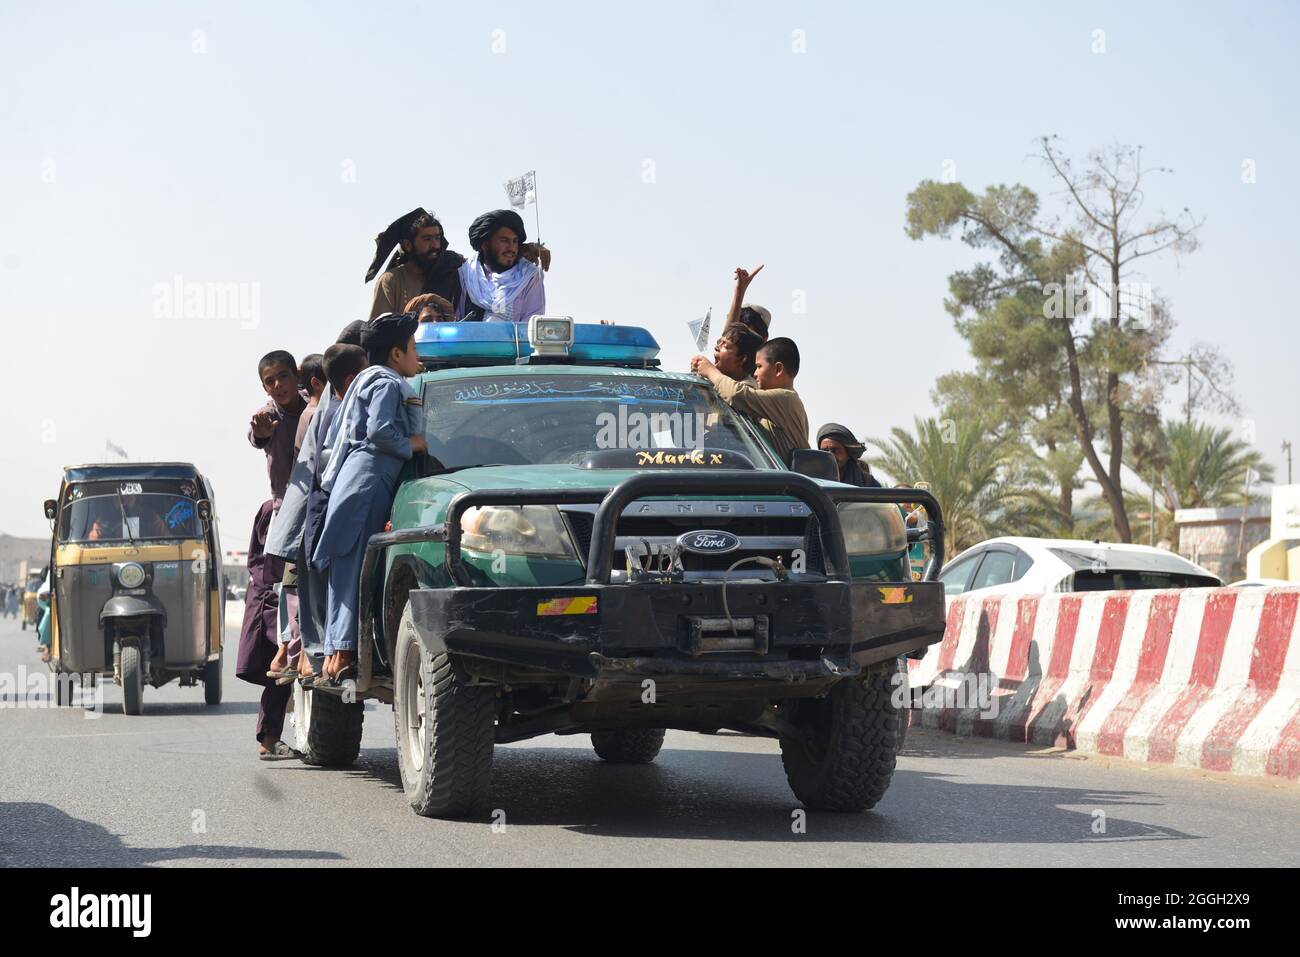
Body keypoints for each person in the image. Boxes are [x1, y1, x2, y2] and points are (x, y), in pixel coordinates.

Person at [311, 314, 426, 687]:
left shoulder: (369, 379)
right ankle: (342, 653)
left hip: (359, 480)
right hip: (368, 480)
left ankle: (336, 652)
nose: (417, 354)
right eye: (412, 347)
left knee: (350, 564)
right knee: (356, 565)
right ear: (396, 353)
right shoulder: (388, 384)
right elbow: (379, 431)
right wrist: (412, 444)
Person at [237, 350, 309, 761]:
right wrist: (260, 430)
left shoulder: (316, 403)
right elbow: (257, 433)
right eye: (270, 382)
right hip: (281, 526)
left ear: (296, 375)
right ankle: (269, 735)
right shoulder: (269, 415)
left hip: (316, 519)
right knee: (281, 625)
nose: (278, 386)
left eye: (283, 377)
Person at [691, 337, 809, 467]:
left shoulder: (786, 399)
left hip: (782, 484)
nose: (755, 373)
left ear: (778, 369)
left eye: (759, 366)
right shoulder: (775, 402)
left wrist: (711, 372)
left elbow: (737, 395)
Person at [367, 209, 466, 320]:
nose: (435, 246)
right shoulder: (391, 280)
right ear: (408, 245)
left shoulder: (449, 273)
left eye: (437, 238)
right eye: (427, 239)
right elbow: (378, 329)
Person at [457, 209, 546, 322]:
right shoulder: (467, 274)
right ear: (485, 244)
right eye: (504, 241)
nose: (511, 248)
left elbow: (532, 324)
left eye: (515, 241)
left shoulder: (529, 276)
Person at [817, 422, 882, 487]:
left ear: (848, 453)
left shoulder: (868, 482)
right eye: (824, 451)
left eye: (835, 450)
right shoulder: (814, 482)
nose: (830, 455)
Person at [725, 264, 771, 341]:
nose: (735, 338)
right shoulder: (724, 348)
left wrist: (739, 293)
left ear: (764, 339)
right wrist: (739, 292)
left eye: (745, 333)